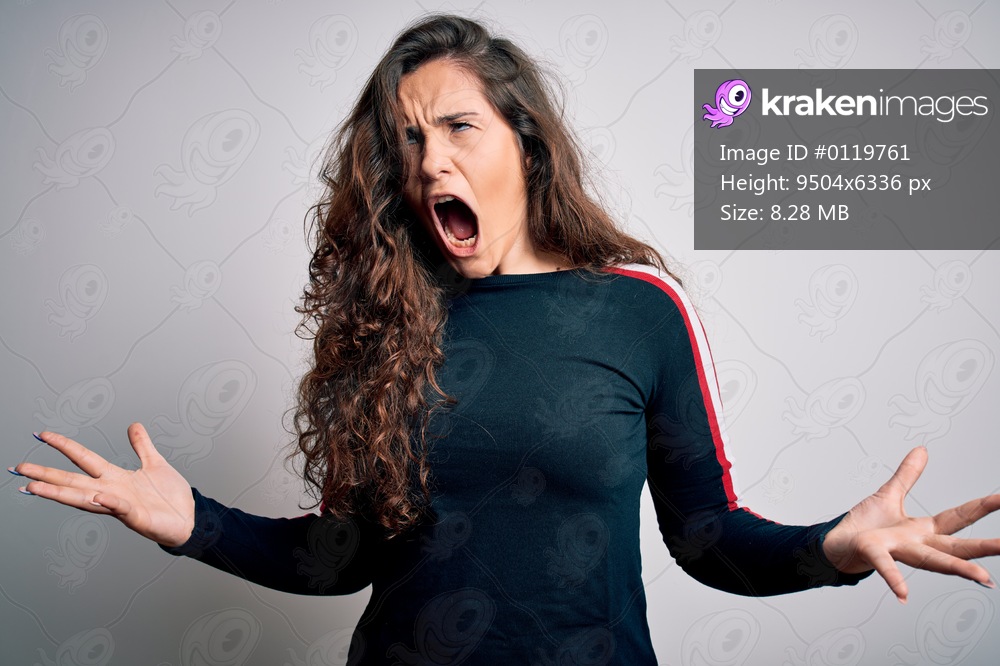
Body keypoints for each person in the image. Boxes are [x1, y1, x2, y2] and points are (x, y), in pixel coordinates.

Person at [10, 14, 1000, 665]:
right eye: (405, 141)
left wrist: (838, 545)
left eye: (457, 127)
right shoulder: (383, 328)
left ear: (523, 144)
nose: (429, 158)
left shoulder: (636, 311)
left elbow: (708, 541)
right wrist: (191, 519)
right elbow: (343, 557)